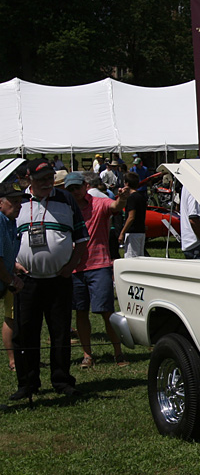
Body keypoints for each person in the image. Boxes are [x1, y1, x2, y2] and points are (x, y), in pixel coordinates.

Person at [10, 159, 88, 401]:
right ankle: (28, 384)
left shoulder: (66, 200)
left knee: (60, 332)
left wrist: (71, 266)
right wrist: (13, 264)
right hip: (26, 280)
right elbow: (5, 238)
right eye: (41, 178)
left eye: (50, 177)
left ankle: (62, 381)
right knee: (25, 334)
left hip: (59, 280)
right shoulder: (18, 202)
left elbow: (82, 239)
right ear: (28, 180)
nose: (47, 183)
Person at [66, 171, 129, 368]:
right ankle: (87, 355)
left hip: (99, 265)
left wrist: (123, 198)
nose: (74, 192)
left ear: (85, 186)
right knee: (81, 312)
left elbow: (115, 206)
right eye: (70, 189)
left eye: (77, 187)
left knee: (106, 312)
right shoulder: (67, 209)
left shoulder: (98, 203)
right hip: (75, 268)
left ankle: (118, 353)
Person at [0, 178, 29, 372]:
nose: (19, 205)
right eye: (13, 201)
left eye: (20, 201)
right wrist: (11, 279)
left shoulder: (11, 222)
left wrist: (14, 266)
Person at [119, 172, 148, 257]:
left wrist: (122, 232)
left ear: (127, 183)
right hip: (141, 231)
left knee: (131, 258)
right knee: (140, 256)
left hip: (133, 233)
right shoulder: (141, 197)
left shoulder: (132, 198)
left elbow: (131, 217)